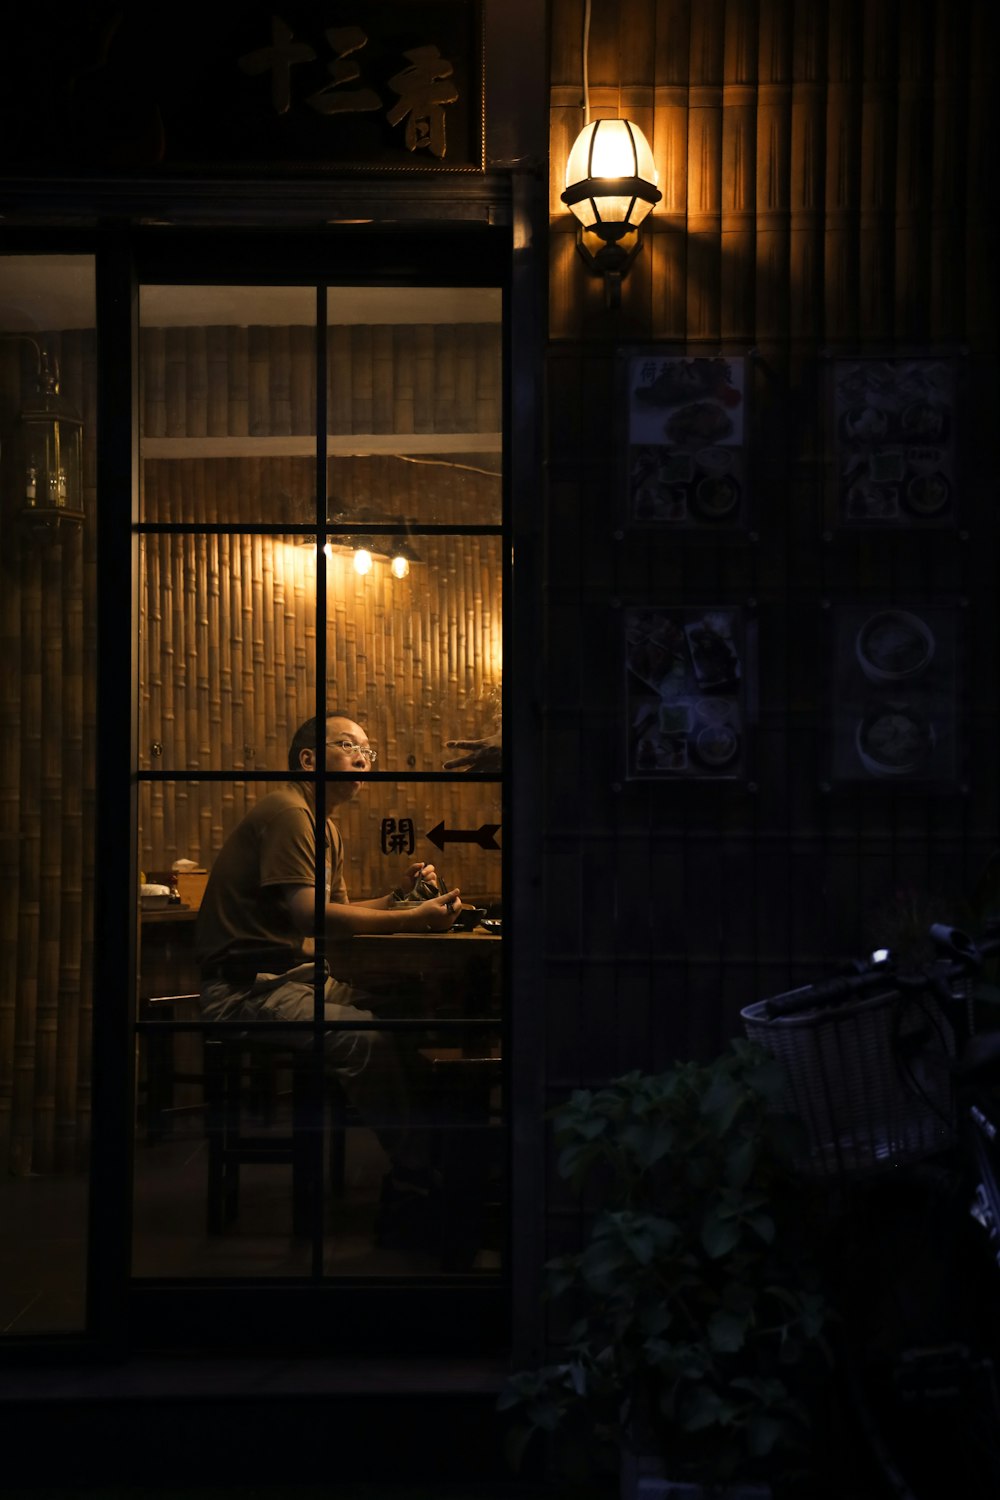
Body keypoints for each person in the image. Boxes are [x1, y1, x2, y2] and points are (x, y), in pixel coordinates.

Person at [195, 712, 461, 1228]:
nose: (364, 757)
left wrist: (400, 898)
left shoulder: (324, 825)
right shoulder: (291, 813)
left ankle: (439, 1155)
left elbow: (335, 918)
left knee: (409, 1012)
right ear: (310, 759)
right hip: (244, 988)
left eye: (369, 749)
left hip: (292, 978)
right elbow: (310, 917)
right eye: (349, 745)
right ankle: (418, 1172)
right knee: (367, 1038)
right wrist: (411, 921)